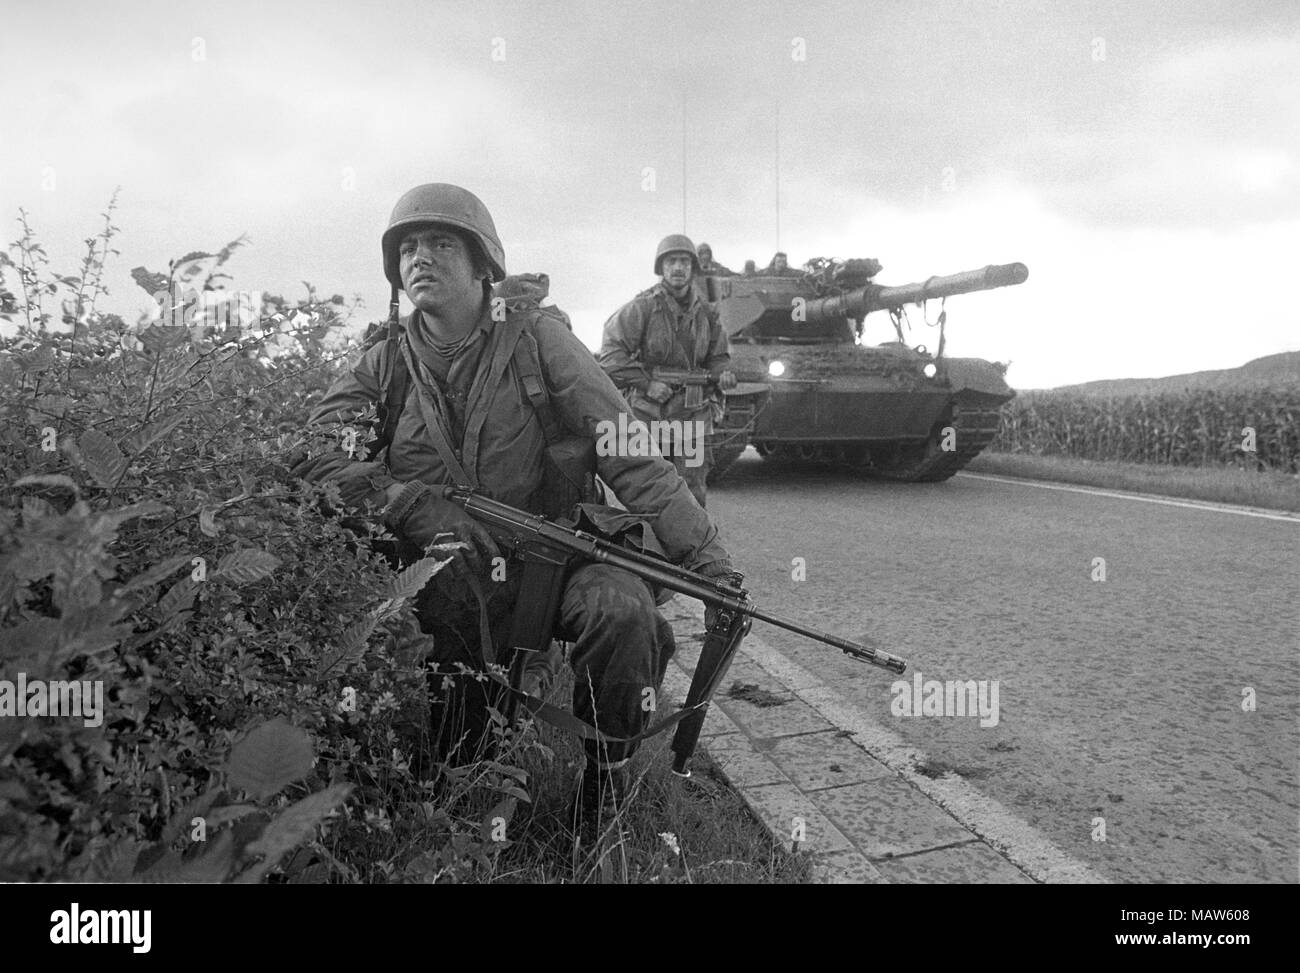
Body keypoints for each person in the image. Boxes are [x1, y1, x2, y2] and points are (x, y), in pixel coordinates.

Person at [292, 185, 739, 830]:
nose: (421, 258)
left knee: (623, 612)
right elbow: (314, 455)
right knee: (459, 760)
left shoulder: (538, 342)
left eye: (442, 243)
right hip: (447, 574)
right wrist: (409, 503)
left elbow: (629, 452)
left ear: (482, 265)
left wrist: (709, 561)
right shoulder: (383, 363)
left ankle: (603, 790)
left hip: (555, 559)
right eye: (409, 247)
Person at [598, 234, 737, 508]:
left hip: (694, 416)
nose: (677, 267)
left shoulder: (708, 314)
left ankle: (692, 547)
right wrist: (647, 384)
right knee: (647, 486)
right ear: (661, 267)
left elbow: (717, 357)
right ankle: (642, 549)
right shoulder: (643, 307)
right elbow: (611, 355)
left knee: (694, 488)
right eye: (671, 261)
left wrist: (724, 373)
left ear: (692, 269)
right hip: (649, 414)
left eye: (684, 262)